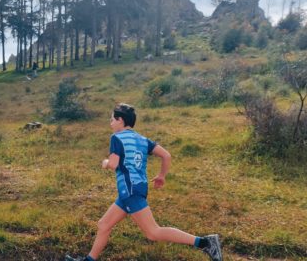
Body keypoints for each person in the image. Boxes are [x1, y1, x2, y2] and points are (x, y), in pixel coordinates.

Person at [66, 103, 223, 261]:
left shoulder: (116, 138)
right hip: (135, 189)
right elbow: (166, 155)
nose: (110, 123)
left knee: (153, 232)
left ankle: (205, 242)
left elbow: (113, 164)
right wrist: (161, 176)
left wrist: (105, 162)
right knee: (104, 225)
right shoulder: (141, 139)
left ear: (120, 120)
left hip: (130, 191)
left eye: (112, 119)